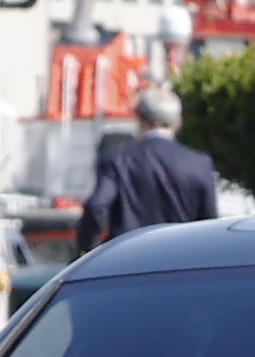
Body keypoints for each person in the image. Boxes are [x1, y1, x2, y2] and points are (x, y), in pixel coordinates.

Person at [76, 86, 221, 253]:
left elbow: (97, 207)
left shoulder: (118, 160)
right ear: (178, 122)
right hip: (181, 260)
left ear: (140, 120)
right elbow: (209, 222)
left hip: (128, 260)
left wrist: (88, 250)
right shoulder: (199, 163)